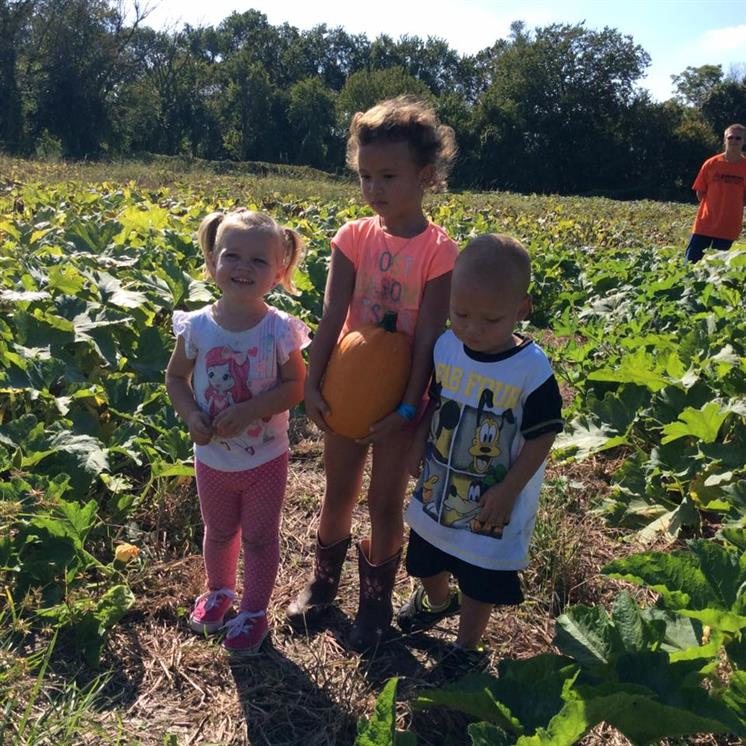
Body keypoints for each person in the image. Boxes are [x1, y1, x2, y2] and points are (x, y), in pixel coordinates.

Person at [286, 95, 459, 650]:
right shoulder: (352, 237)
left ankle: (376, 602)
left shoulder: (440, 252)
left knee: (385, 503)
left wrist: (409, 406)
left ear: (425, 175)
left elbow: (428, 338)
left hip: (402, 396)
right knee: (338, 491)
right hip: (347, 384)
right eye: (365, 176)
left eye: (388, 176)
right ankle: (322, 585)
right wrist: (313, 382)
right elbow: (331, 315)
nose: (374, 188)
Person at [395, 234, 563, 671]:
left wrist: (508, 490)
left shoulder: (531, 369)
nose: (472, 328)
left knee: (479, 577)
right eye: (461, 313)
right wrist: (417, 442)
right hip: (439, 484)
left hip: (492, 499)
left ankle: (467, 647)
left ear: (521, 310)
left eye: (490, 319)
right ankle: (437, 602)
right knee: (424, 559)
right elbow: (436, 401)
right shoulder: (447, 347)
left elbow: (543, 436)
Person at [165, 208, 310, 655]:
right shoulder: (197, 326)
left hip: (265, 458)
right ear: (212, 262)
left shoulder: (278, 330)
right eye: (232, 256)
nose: (243, 267)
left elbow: (295, 386)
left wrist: (250, 411)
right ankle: (220, 591)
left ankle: (253, 611)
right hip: (212, 458)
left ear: (278, 273)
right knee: (219, 530)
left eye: (259, 260)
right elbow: (175, 378)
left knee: (260, 537)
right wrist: (191, 415)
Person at [685, 123, 746, 263]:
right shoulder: (711, 164)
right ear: (725, 140)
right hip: (704, 225)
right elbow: (700, 192)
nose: (734, 141)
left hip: (728, 228)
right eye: (730, 137)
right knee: (690, 265)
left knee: (718, 268)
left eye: (738, 138)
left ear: (744, 141)